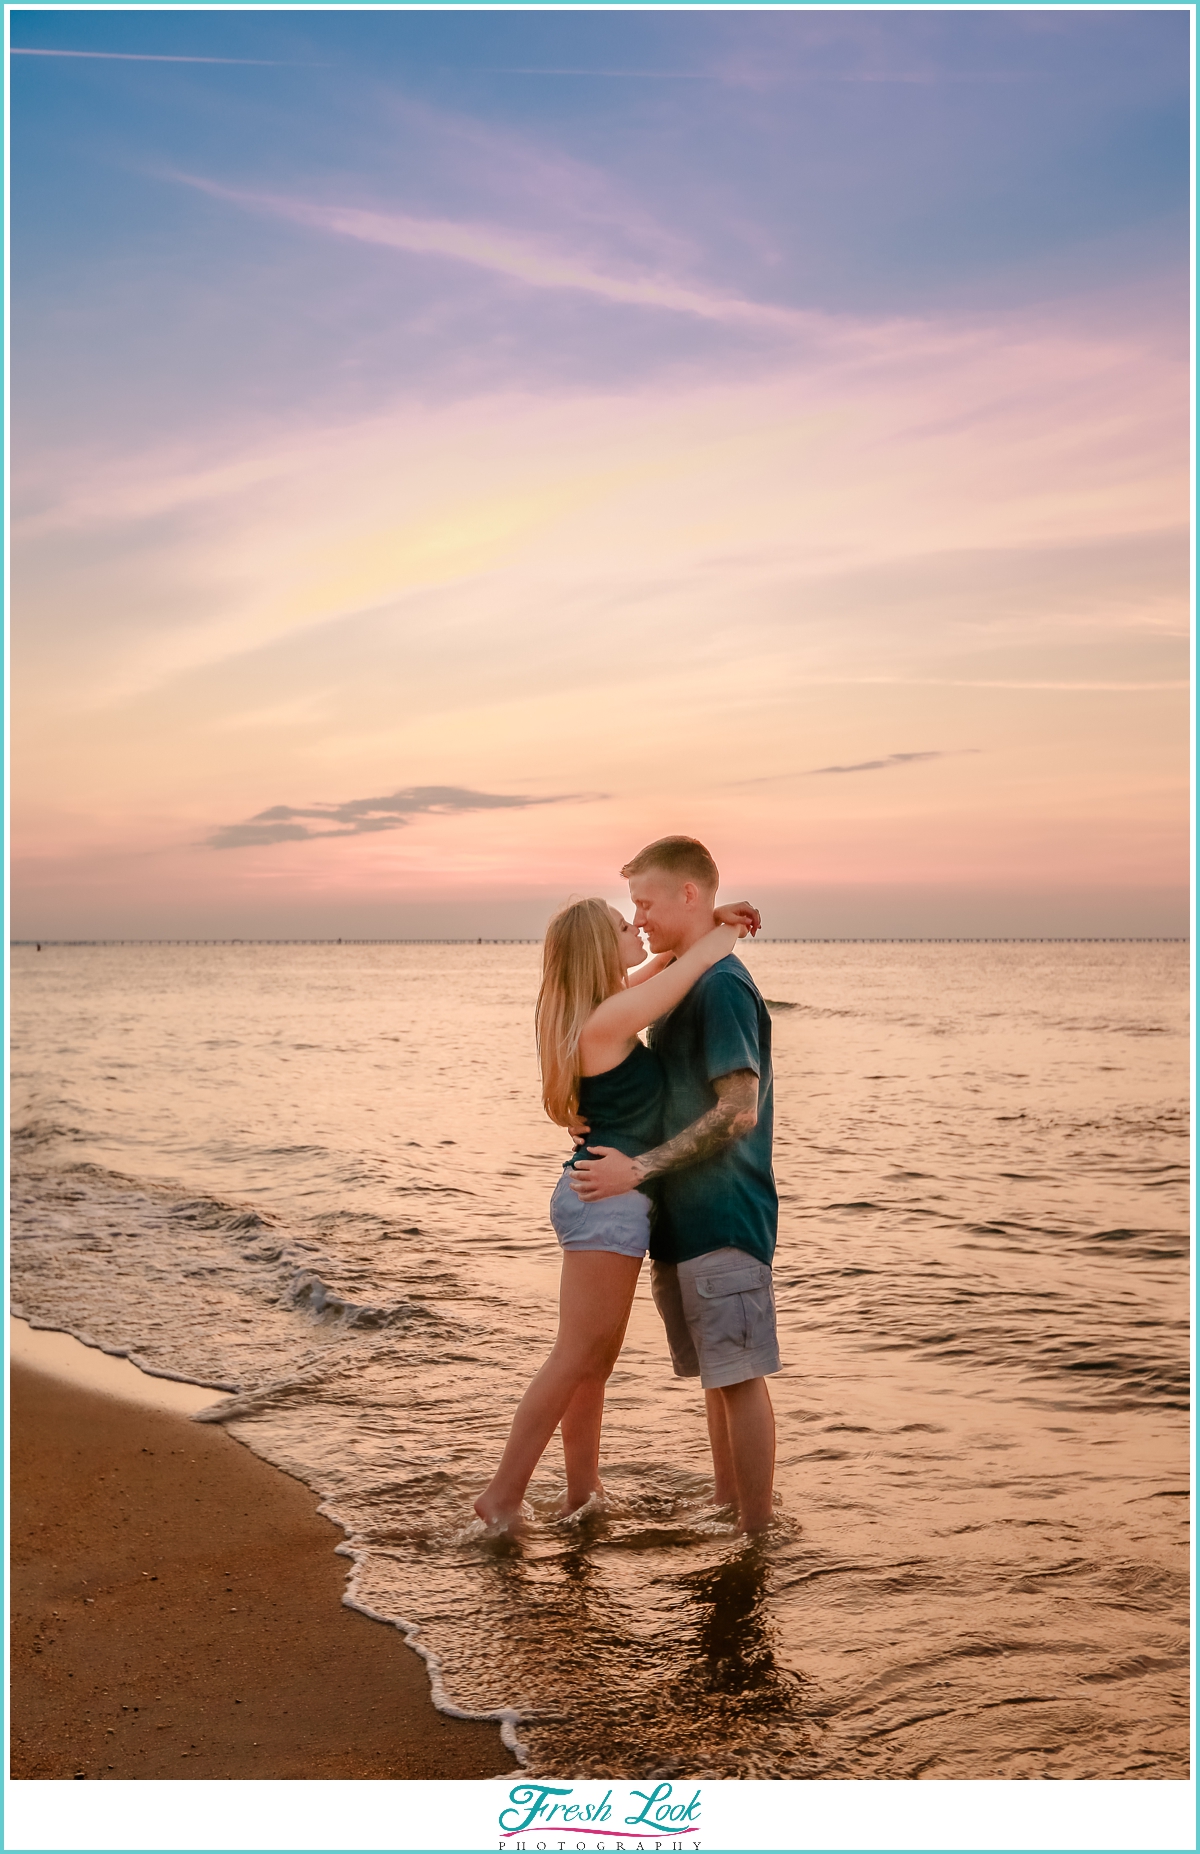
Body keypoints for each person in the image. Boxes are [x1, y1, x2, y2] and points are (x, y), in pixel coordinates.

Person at [474, 891, 760, 1532]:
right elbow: (684, 971)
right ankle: (502, 1497)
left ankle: (582, 1492)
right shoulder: (607, 1020)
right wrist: (727, 927)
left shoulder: (589, 1010)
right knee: (575, 1357)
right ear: (598, 950)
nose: (637, 928)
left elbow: (659, 968)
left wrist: (705, 925)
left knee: (591, 1362)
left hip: (602, 1200)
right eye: (622, 925)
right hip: (606, 1204)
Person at [570, 836, 779, 1533]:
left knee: (739, 1378)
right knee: (719, 1381)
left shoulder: (720, 986)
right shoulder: (690, 978)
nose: (640, 918)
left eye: (645, 903)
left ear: (688, 894)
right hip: (681, 1222)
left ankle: (755, 1538)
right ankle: (728, 1509)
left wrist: (639, 1168)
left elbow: (738, 1111)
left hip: (724, 1214)